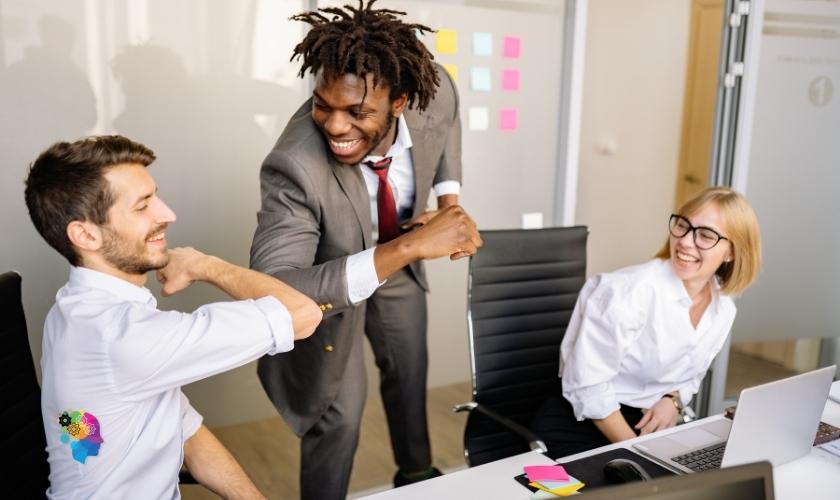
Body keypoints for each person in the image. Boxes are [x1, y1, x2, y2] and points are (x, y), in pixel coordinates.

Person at [249, 1, 482, 498]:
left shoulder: (431, 91)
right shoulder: (294, 166)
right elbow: (276, 285)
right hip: (327, 287)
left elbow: (449, 128)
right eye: (323, 105)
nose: (334, 126)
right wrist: (415, 245)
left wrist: (449, 203)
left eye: (356, 112)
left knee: (409, 374)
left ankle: (416, 477)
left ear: (399, 102)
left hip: (399, 263)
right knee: (340, 415)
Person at [24, 135, 323, 498]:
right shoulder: (122, 338)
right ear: (86, 235)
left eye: (156, 196)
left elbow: (186, 430)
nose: (167, 214)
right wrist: (205, 265)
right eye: (142, 206)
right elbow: (303, 314)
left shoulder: (75, 307)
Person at [532, 187, 761, 458]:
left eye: (706, 235)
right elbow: (588, 387)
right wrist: (641, 454)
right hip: (583, 423)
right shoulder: (627, 292)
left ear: (732, 252)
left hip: (645, 425)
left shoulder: (722, 310)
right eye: (683, 226)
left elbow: (691, 375)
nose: (686, 242)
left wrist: (672, 401)